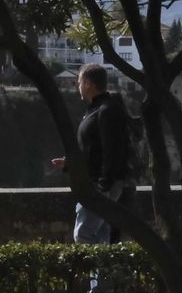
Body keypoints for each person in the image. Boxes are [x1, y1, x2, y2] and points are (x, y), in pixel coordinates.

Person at [51, 63, 133, 247]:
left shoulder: (106, 110)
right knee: (101, 237)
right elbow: (92, 151)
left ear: (88, 83)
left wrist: (103, 186)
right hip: (98, 183)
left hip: (101, 185)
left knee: (83, 234)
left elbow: (112, 150)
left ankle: (100, 274)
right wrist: (69, 165)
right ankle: (103, 275)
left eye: (79, 82)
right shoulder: (97, 109)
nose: (78, 86)